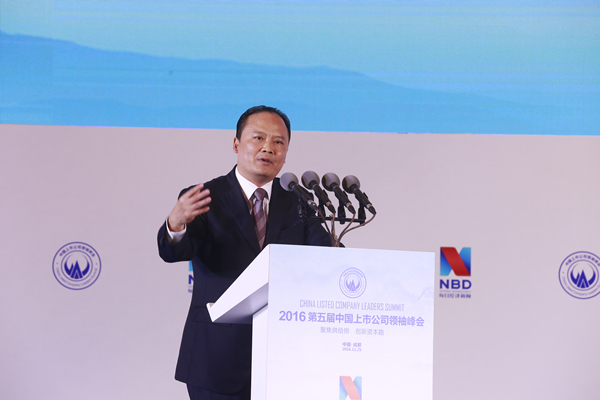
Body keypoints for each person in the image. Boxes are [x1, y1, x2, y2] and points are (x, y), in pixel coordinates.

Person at [157, 105, 331, 400]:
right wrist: (175, 224)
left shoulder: (300, 203)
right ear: (236, 144)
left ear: (286, 152)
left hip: (283, 360)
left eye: (278, 142)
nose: (268, 148)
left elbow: (326, 257)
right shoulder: (204, 197)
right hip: (216, 358)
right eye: (258, 138)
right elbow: (174, 251)